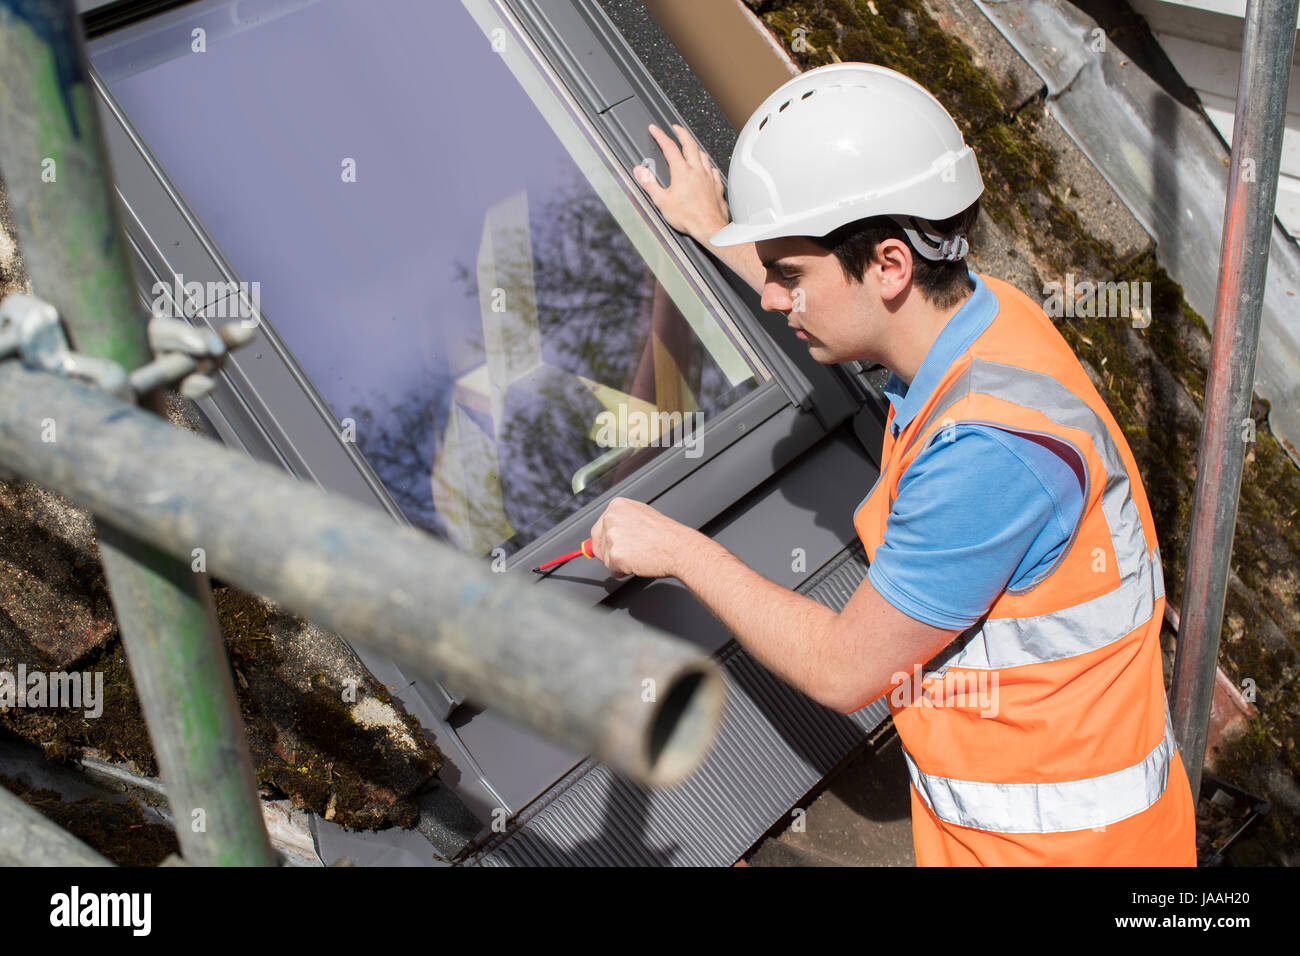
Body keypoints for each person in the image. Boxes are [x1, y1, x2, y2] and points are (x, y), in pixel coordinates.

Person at [588, 63, 1196, 866]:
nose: (773, 298)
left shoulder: (987, 458)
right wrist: (718, 230)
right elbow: (854, 313)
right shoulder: (985, 319)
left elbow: (844, 671)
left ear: (890, 265)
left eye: (788, 276)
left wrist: (677, 550)